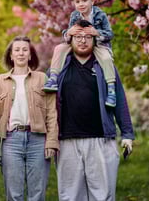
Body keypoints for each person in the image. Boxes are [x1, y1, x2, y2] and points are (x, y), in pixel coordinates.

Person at [55, 19, 135, 201]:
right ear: (71, 39)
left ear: (94, 39)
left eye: (87, 37)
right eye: (78, 36)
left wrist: (127, 134)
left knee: (103, 195)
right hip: (67, 141)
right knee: (70, 196)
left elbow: (120, 100)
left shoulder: (105, 67)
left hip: (101, 139)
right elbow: (46, 103)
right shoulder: (60, 68)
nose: (82, 41)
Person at [0, 36, 59, 201]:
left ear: (30, 55)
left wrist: (51, 141)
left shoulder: (42, 78)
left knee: (37, 193)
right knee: (14, 194)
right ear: (11, 55)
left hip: (38, 140)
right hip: (11, 141)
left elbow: (51, 112)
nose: (21, 53)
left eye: (25, 50)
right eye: (17, 50)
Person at [43, 0, 118, 107]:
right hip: (78, 43)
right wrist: (69, 33)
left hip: (98, 44)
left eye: (84, 0)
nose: (81, 4)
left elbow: (110, 34)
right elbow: (69, 35)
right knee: (59, 48)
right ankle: (53, 79)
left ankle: (111, 90)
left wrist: (97, 33)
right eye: (77, 2)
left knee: (106, 58)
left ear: (92, 1)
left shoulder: (100, 15)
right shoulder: (74, 15)